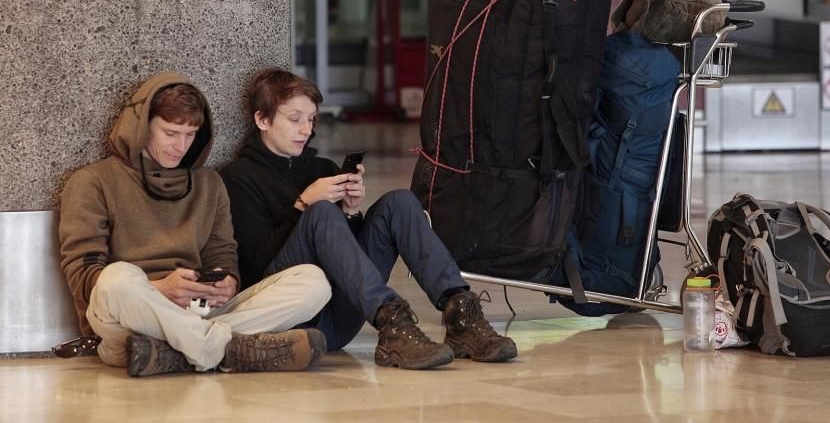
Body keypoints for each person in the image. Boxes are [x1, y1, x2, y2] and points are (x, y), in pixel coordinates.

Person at [220, 68, 517, 370]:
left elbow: (349, 260)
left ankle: (461, 314)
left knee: (399, 202)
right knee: (320, 212)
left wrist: (351, 211)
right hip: (291, 317)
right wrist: (304, 204)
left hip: (340, 316)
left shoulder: (321, 167)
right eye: (294, 119)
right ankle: (393, 322)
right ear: (263, 120)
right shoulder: (236, 178)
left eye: (311, 120)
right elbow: (258, 266)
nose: (306, 130)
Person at [59, 71, 333, 377]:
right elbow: (84, 278)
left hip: (198, 312)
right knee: (117, 278)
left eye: (190, 135)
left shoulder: (209, 183)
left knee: (313, 281)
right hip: (129, 317)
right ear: (140, 127)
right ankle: (223, 348)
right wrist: (160, 289)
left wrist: (227, 280)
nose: (181, 146)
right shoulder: (92, 181)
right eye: (171, 133)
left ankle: (174, 352)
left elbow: (222, 253)